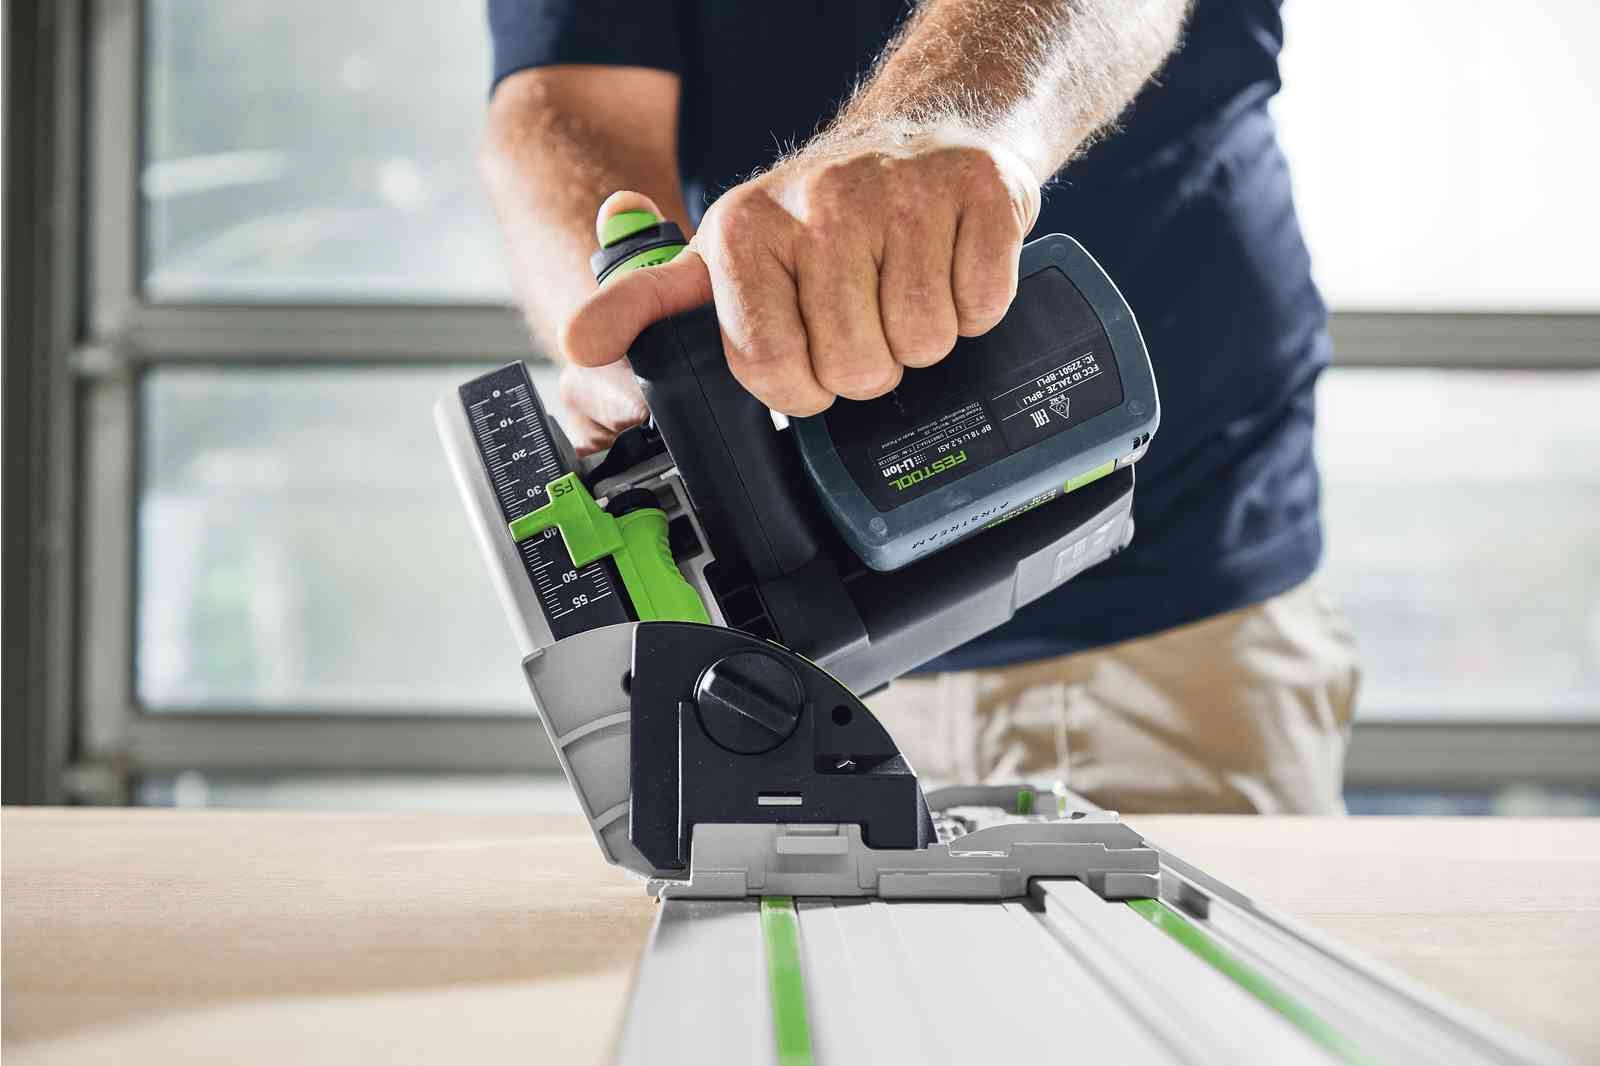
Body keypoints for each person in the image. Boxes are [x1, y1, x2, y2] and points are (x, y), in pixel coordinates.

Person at [481, 0, 1359, 814]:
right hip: (791, 655)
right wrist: (629, 340)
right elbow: (567, 98)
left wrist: (945, 125)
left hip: (1171, 622)